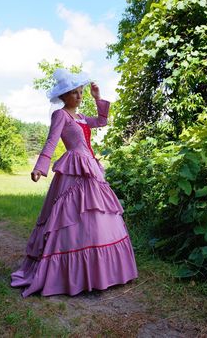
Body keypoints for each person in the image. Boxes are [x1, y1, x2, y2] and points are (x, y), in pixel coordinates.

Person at [11, 68, 138, 297]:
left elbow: (101, 121)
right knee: (70, 218)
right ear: (63, 97)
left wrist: (97, 98)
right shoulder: (61, 115)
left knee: (98, 217)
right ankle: (69, 275)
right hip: (73, 170)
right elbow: (51, 141)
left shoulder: (80, 117)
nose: (79, 96)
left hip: (91, 168)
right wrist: (40, 167)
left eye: (80, 92)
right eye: (74, 93)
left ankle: (104, 273)